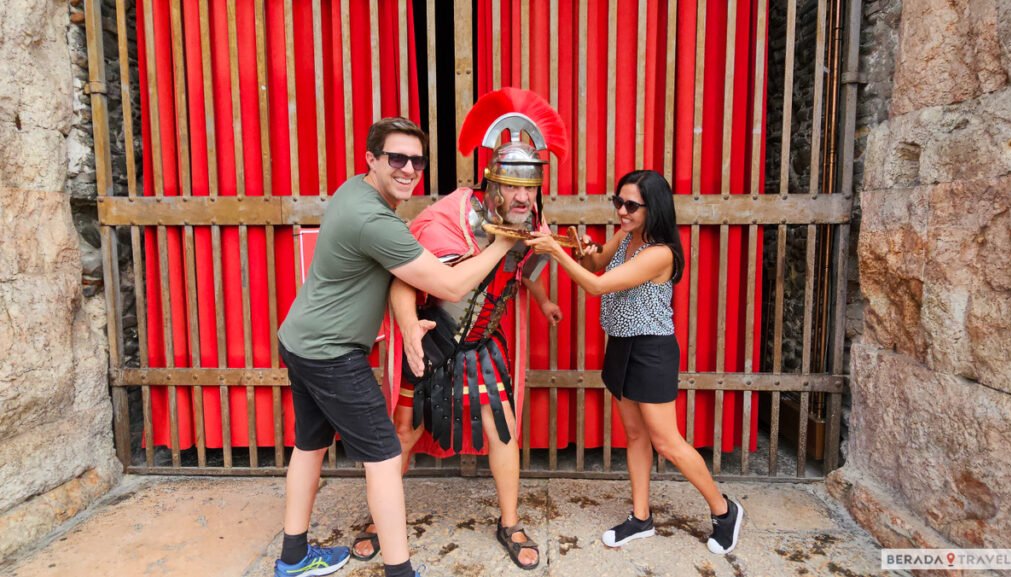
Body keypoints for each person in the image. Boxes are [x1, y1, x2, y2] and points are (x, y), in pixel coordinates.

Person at [274, 117, 517, 577]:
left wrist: (407, 324)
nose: (408, 169)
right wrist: (502, 243)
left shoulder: (356, 191)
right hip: (331, 354)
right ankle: (399, 570)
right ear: (372, 159)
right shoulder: (374, 219)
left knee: (309, 445)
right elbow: (448, 284)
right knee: (385, 456)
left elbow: (397, 274)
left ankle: (292, 558)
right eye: (396, 158)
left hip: (299, 340)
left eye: (416, 160)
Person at [351, 88, 566, 571]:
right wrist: (408, 327)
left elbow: (522, 267)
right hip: (434, 338)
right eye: (512, 186)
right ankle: (377, 520)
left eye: (529, 187)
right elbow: (404, 279)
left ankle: (509, 521)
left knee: (502, 430)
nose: (522, 196)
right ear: (491, 184)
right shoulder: (451, 215)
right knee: (402, 433)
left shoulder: (531, 218)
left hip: (484, 344)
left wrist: (544, 298)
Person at [525, 169, 744, 555]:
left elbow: (594, 287)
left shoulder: (660, 252)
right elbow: (596, 267)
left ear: (653, 207)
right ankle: (641, 517)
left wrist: (555, 253)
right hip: (621, 346)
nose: (621, 211)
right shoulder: (627, 236)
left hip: (652, 351)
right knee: (635, 436)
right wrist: (581, 251)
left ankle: (725, 511)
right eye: (618, 202)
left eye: (631, 205)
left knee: (667, 441)